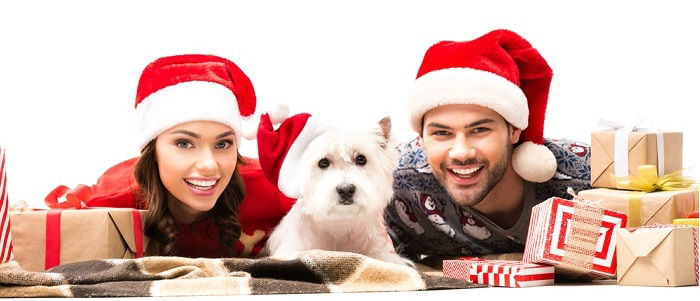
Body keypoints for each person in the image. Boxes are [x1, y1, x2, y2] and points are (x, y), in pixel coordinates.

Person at [54, 54, 295, 258]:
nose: (209, 165)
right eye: (184, 143)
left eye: (223, 144)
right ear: (153, 151)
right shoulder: (116, 194)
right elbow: (58, 216)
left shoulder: (274, 186)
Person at [385, 30, 591, 260]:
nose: (461, 152)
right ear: (420, 138)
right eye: (441, 133)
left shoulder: (586, 177)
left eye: (480, 130)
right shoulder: (393, 182)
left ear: (514, 130)